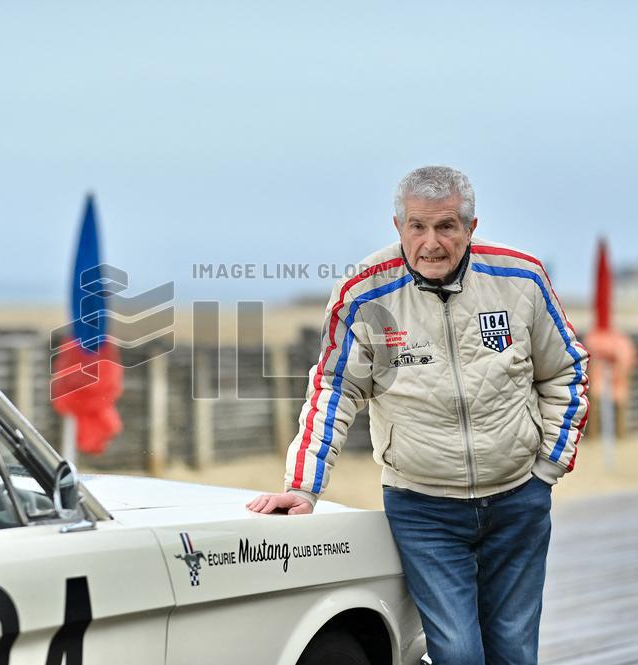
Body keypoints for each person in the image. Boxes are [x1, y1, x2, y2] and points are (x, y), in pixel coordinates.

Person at [247, 166, 588, 665]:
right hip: (423, 508)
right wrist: (303, 486)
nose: (431, 242)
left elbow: (568, 369)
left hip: (519, 500)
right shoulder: (363, 294)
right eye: (418, 226)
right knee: (458, 653)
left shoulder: (522, 279)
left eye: (447, 226)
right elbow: (334, 388)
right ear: (398, 226)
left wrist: (546, 470)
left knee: (514, 651)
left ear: (471, 227)